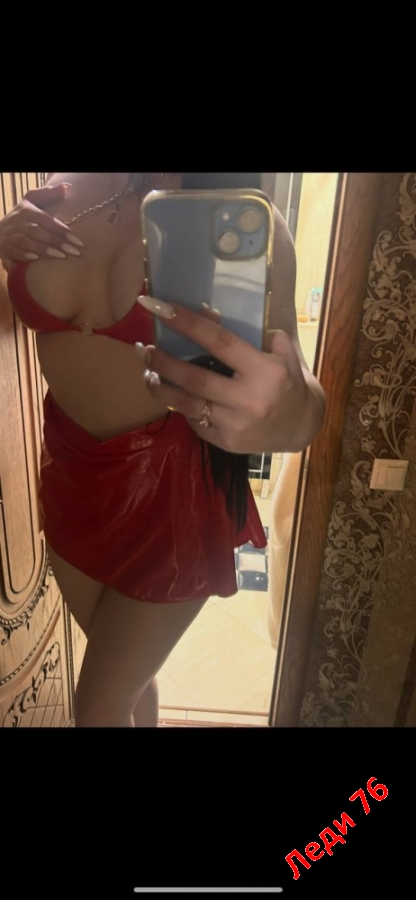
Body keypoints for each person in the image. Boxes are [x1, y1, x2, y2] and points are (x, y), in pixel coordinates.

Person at [0, 173, 326, 727]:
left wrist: (296, 417)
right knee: (125, 676)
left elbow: (297, 390)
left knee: (97, 707)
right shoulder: (58, 190)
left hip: (174, 498)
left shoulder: (241, 219)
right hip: (71, 478)